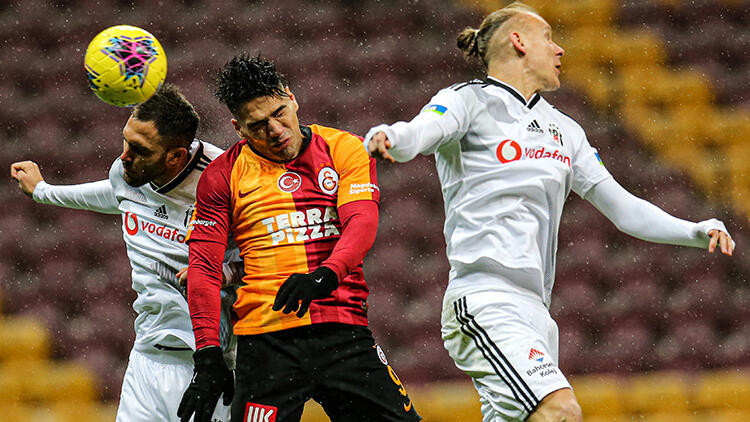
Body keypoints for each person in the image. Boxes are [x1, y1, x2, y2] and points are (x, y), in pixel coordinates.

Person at [364, 2, 735, 421]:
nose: (559, 49)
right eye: (548, 38)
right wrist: (389, 137)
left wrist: (693, 230)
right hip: (486, 298)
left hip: (537, 313)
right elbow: (421, 131)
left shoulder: (565, 129)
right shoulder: (467, 101)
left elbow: (622, 207)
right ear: (518, 41)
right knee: (559, 411)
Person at [177, 54, 421, 422]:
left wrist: (324, 276)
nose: (275, 130)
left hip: (342, 331)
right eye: (258, 125)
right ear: (238, 128)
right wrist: (208, 355)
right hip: (265, 343)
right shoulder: (221, 175)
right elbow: (203, 268)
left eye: (279, 113)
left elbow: (361, 223)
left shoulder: (344, 148)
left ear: (292, 98)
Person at [10, 83, 240, 422]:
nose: (124, 157)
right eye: (125, 141)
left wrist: (222, 273)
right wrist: (44, 191)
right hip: (146, 359)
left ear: (176, 156)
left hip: (209, 366)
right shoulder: (127, 172)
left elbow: (270, 254)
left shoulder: (226, 180)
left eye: (140, 149)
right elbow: (117, 194)